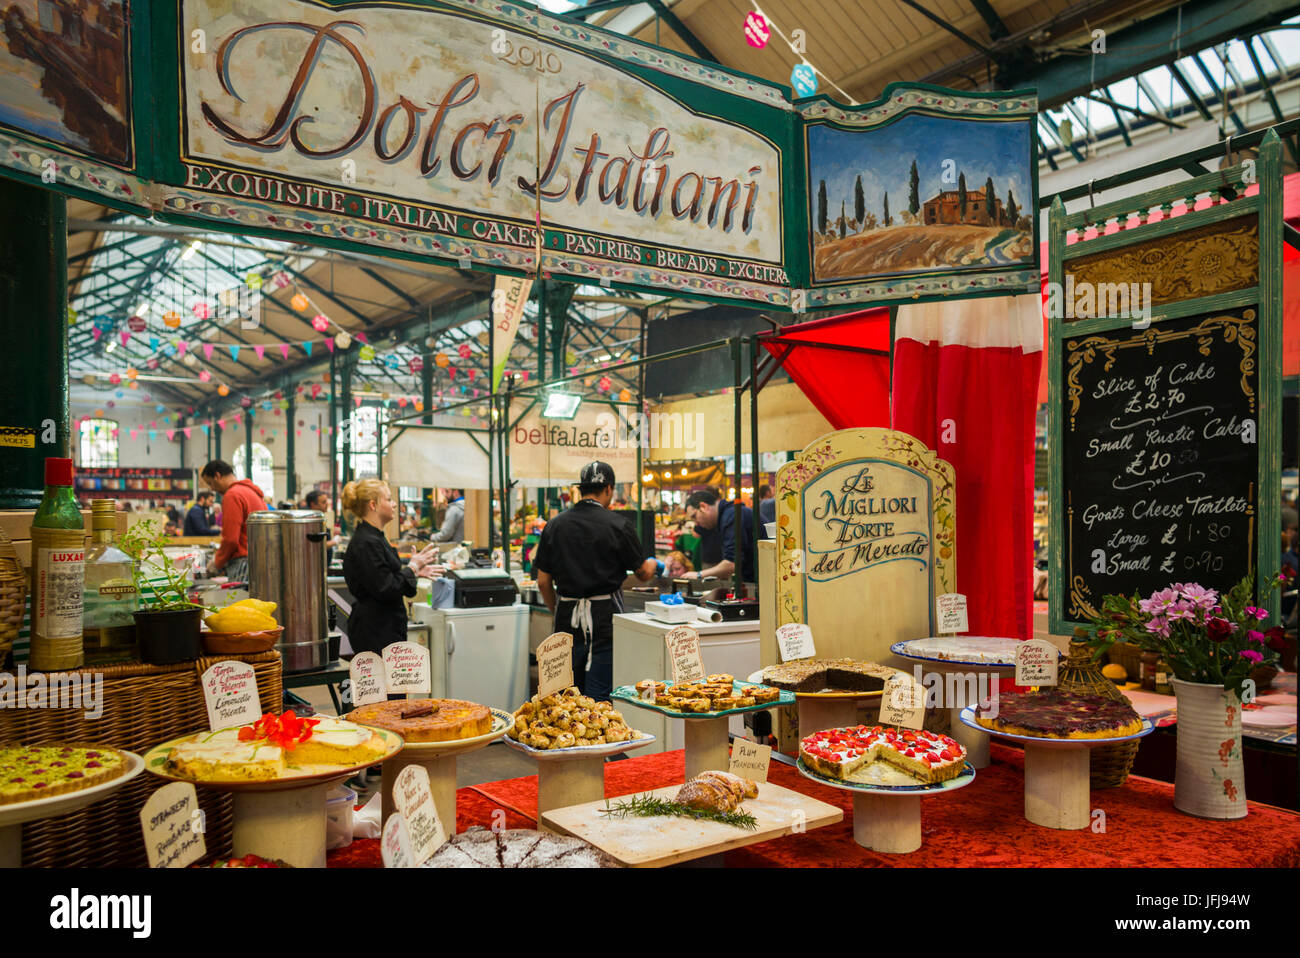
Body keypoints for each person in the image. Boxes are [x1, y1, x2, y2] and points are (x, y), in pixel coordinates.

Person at [532, 461, 657, 700]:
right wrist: (653, 563)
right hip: (605, 618)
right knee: (599, 694)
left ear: (580, 488)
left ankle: (567, 737)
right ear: (609, 489)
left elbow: (542, 582)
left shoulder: (555, 525)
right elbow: (642, 574)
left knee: (564, 692)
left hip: (566, 617)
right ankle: (598, 736)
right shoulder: (619, 525)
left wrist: (556, 610)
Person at [341, 479, 440, 657]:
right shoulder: (366, 543)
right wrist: (412, 567)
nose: (394, 504)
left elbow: (390, 580)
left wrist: (414, 572)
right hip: (375, 631)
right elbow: (386, 588)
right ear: (373, 505)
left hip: (384, 627)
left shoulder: (376, 538)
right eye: (388, 499)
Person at [200, 459, 267, 583]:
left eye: (210, 483)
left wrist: (217, 561)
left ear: (217, 476)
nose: (213, 489)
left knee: (241, 601)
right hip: (259, 560)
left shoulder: (233, 495)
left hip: (243, 565)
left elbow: (231, 539)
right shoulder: (251, 492)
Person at [683, 488, 756, 582]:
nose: (696, 523)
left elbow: (732, 563)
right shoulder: (727, 515)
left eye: (694, 516)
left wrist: (698, 574)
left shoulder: (731, 516)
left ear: (703, 506)